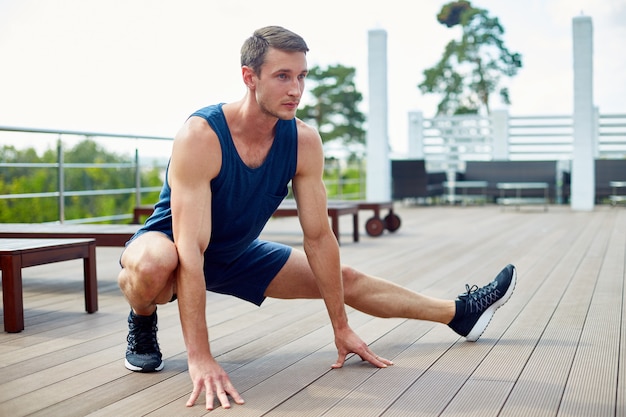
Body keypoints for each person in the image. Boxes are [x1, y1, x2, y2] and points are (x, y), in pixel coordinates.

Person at [117, 25, 517, 411]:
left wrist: (340, 326)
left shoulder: (302, 140)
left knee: (344, 278)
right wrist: (200, 356)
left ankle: (460, 314)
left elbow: (319, 238)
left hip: (237, 252)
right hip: (174, 244)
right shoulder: (202, 134)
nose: (296, 89)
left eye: (302, 76)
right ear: (249, 77)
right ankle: (142, 318)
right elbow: (190, 247)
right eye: (282, 76)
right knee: (155, 263)